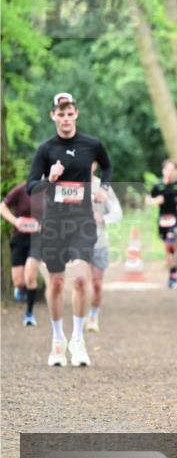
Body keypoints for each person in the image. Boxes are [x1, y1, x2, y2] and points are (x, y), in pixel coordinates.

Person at [26, 92, 112, 367]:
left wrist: (104, 190)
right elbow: (31, 187)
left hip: (82, 221)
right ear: (53, 116)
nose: (65, 118)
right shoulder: (46, 149)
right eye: (59, 114)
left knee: (80, 280)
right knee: (56, 283)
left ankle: (78, 339)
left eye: (69, 113)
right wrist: (49, 178)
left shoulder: (91, 144)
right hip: (55, 224)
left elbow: (107, 167)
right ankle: (57, 339)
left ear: (76, 114)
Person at [86, 160, 122, 332]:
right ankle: (80, 317)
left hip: (99, 241)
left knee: (97, 283)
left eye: (91, 162)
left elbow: (117, 211)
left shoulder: (102, 186)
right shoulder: (71, 184)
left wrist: (103, 219)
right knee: (79, 281)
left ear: (96, 165)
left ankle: (93, 315)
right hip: (77, 241)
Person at [1, 182, 43, 326]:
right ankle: (20, 288)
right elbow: (2, 206)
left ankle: (29, 315)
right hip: (19, 239)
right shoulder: (21, 189)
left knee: (30, 276)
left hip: (37, 239)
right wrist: (15, 221)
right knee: (19, 281)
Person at [149, 160, 177, 288]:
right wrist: (156, 200)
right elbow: (149, 199)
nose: (170, 172)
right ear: (163, 171)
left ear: (176, 171)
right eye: (167, 169)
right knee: (168, 248)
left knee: (170, 241)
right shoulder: (158, 186)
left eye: (173, 169)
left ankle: (173, 275)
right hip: (162, 219)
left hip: (175, 219)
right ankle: (174, 270)